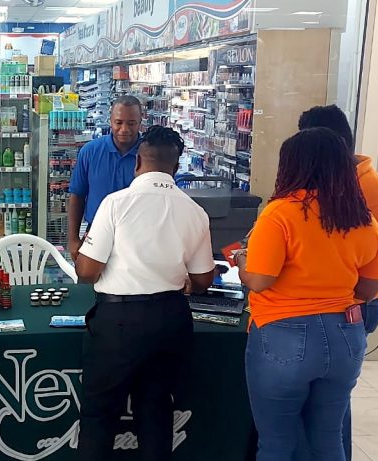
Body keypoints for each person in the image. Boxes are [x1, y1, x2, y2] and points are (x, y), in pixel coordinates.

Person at [236, 128, 378, 461]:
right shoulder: (364, 220)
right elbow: (368, 289)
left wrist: (241, 260)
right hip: (346, 337)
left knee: (277, 443)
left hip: (282, 335)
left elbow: (260, 280)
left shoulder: (279, 214)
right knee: (328, 438)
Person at [74, 125, 215, 461]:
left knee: (99, 416)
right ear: (176, 167)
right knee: (156, 413)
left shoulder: (115, 204)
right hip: (170, 319)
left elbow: (87, 271)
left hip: (117, 323)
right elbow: (204, 280)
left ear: (138, 162)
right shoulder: (195, 212)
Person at [298, 105, 378, 461]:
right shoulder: (329, 180)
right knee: (324, 394)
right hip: (330, 300)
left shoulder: (372, 186)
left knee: (332, 399)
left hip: (359, 301)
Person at [67, 95, 143, 256]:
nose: (124, 129)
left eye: (131, 123)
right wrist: (73, 240)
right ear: (110, 121)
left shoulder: (149, 154)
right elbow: (77, 195)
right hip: (95, 235)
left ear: (140, 122)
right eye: (119, 122)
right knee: (90, 279)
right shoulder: (90, 151)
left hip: (138, 238)